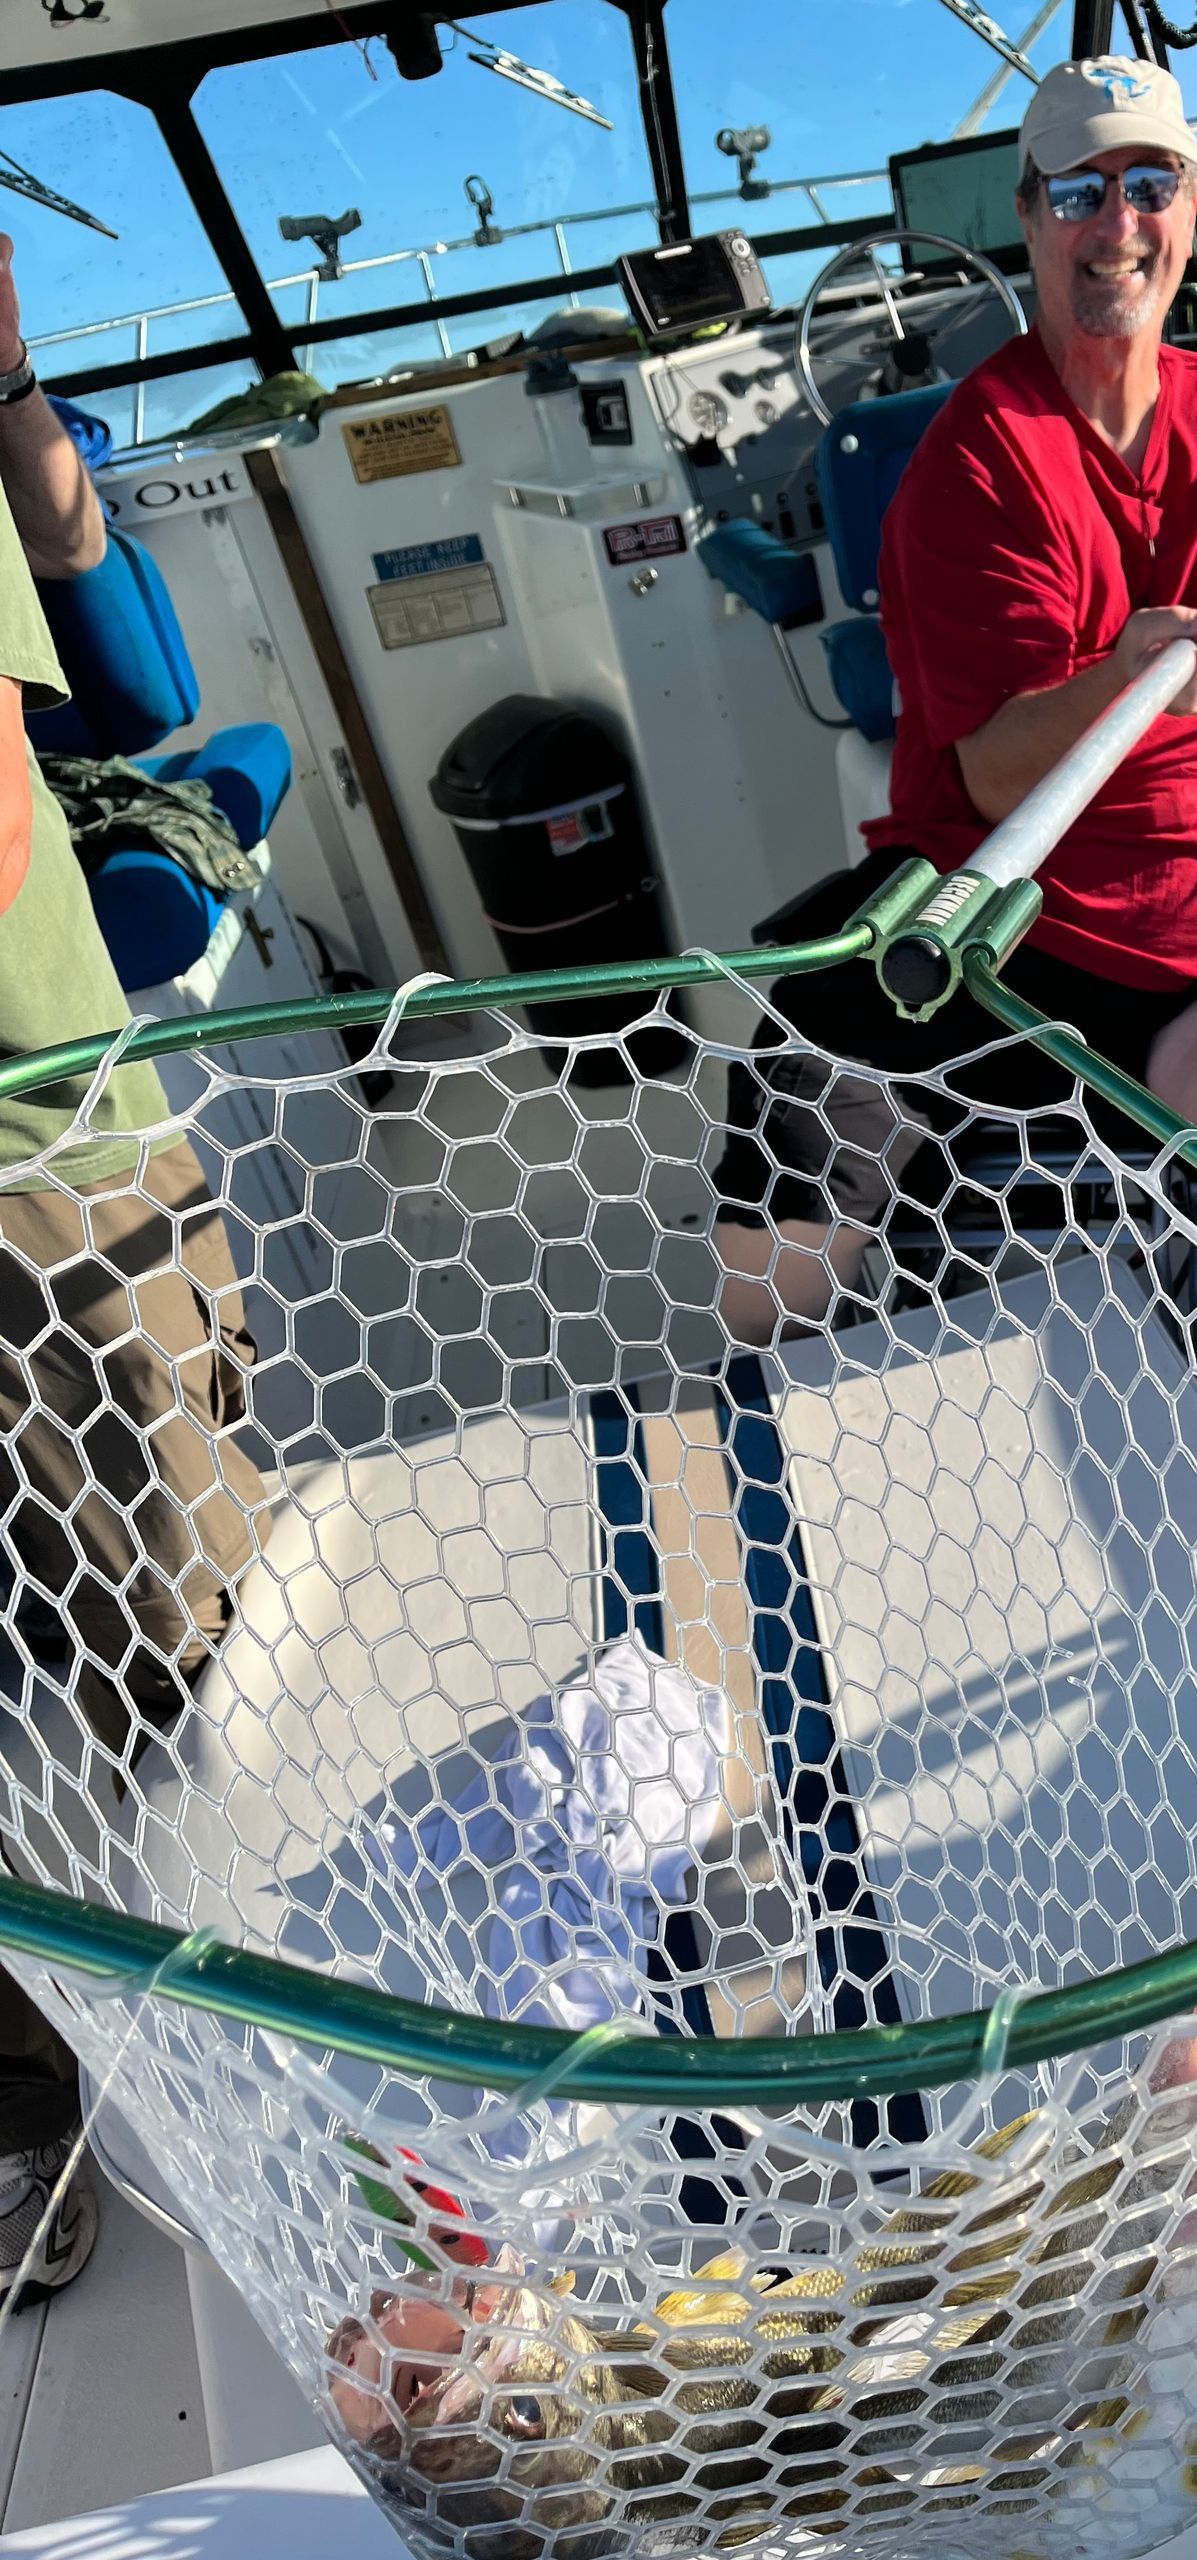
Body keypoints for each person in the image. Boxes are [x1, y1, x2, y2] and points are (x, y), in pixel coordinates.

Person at [711, 56, 1197, 1421]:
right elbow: (986, 771)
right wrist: (1118, 673)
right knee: (791, 1080)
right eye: (1083, 191)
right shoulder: (975, 461)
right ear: (1032, 218)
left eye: (1151, 184)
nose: (1120, 224)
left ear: (1192, 207)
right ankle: (766, 1424)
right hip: (1009, 919)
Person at [0, 233, 267, 2300]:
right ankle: (41, 2092)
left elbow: (127, 702)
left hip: (62, 1158)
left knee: (189, 1628)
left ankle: (260, 2027)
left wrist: (18, 407)